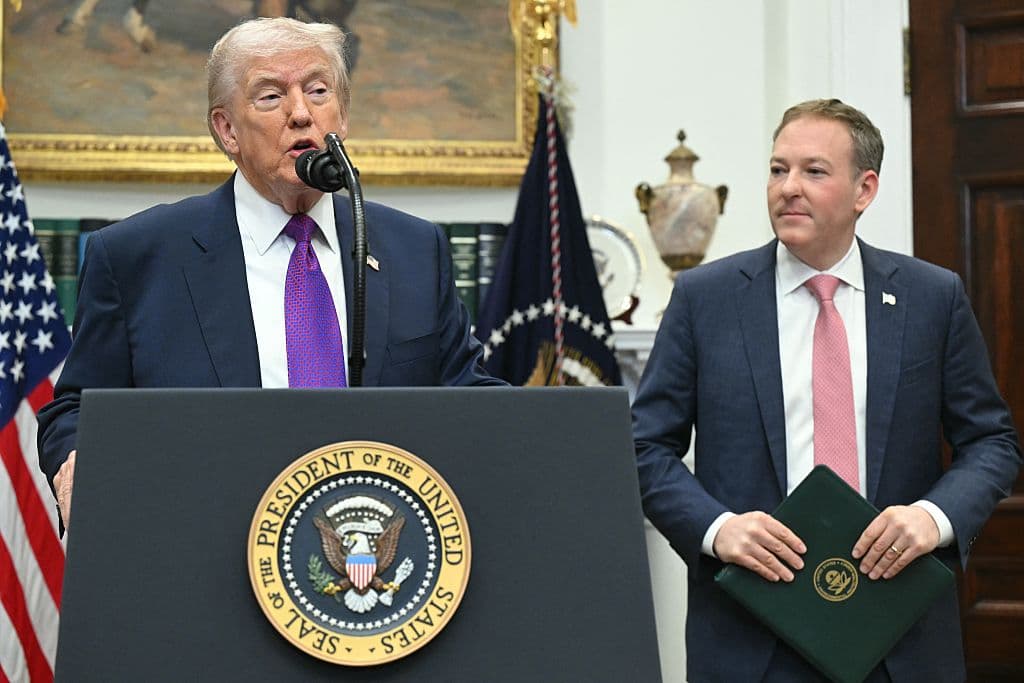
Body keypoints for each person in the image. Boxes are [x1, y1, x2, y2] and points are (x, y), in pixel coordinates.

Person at [37, 17, 503, 530]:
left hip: (377, 555)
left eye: (318, 91)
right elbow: (74, 410)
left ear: (342, 117)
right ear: (227, 130)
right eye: (270, 97)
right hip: (203, 546)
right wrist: (77, 467)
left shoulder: (415, 249)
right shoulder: (136, 258)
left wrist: (553, 431)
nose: (302, 114)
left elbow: (467, 397)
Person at [632, 99, 1021, 682]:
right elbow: (643, 448)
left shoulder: (931, 298)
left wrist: (934, 516)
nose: (788, 187)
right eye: (777, 169)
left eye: (814, 171)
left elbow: (992, 441)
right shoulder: (705, 299)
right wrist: (718, 529)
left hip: (898, 631)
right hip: (750, 633)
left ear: (864, 190)